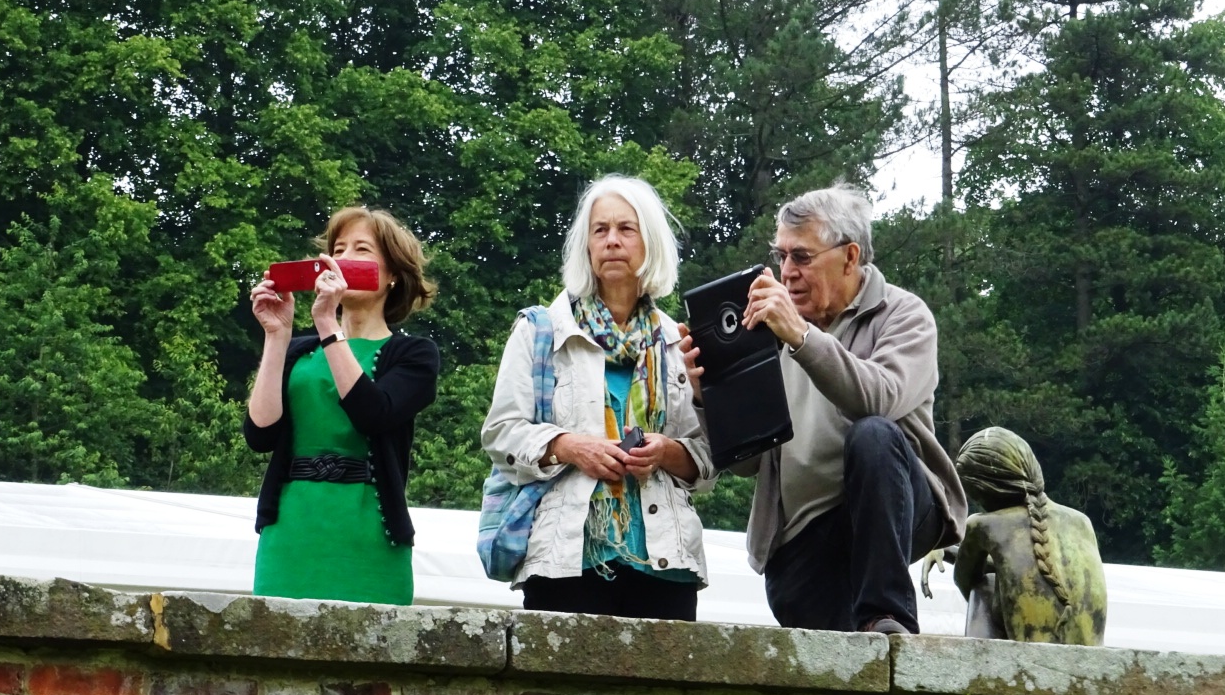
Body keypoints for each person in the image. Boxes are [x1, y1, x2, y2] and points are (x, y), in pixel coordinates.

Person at [682, 184, 965, 634]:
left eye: (802, 257)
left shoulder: (903, 315)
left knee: (874, 434)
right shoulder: (770, 328)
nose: (786, 272)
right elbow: (747, 461)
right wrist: (706, 395)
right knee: (834, 671)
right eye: (781, 256)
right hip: (802, 546)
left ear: (850, 257)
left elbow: (879, 398)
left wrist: (801, 337)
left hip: (898, 515)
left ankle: (890, 617)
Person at [481, 175, 714, 620]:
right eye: (600, 230)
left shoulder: (680, 341)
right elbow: (500, 432)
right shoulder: (540, 331)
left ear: (650, 242)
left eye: (626, 229)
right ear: (586, 246)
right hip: (566, 560)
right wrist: (568, 446)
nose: (612, 241)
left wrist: (666, 452)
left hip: (667, 563)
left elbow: (709, 460)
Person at [245, 206, 440, 604]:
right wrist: (277, 336)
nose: (342, 259)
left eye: (361, 249)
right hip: (291, 533)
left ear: (391, 275)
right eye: (337, 249)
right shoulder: (300, 351)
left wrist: (327, 324)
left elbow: (373, 414)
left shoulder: (414, 354)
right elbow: (260, 435)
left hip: (369, 534)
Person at [952, 427, 1107, 644]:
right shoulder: (1082, 522)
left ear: (984, 489)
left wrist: (941, 549)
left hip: (1027, 657)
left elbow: (965, 580)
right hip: (1089, 655)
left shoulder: (983, 525)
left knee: (984, 585)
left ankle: (979, 659)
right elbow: (1029, 567)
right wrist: (948, 552)